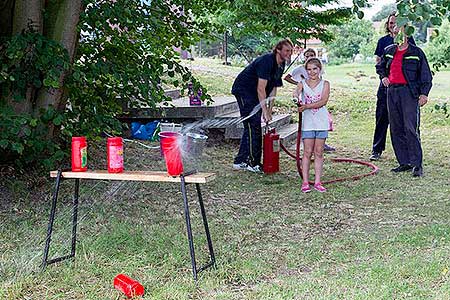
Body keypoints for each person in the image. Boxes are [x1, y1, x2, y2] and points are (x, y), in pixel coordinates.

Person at [376, 27, 432, 177]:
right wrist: (383, 77)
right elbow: (380, 66)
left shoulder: (416, 52)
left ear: (407, 35)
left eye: (400, 33)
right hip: (392, 92)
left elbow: (426, 75)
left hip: (409, 93)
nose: (396, 35)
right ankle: (404, 162)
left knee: (410, 128)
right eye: (394, 33)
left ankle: (417, 164)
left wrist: (424, 94)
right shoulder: (388, 50)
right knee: (396, 128)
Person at [231, 38, 293, 173]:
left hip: (255, 93)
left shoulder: (280, 64)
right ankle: (253, 163)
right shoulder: (266, 61)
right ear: (278, 50)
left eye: (291, 51)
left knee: (251, 126)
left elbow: (273, 88)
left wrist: (269, 110)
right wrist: (264, 111)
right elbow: (261, 88)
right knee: (253, 125)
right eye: (287, 50)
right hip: (244, 91)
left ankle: (240, 160)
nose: (290, 53)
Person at [370, 12, 416, 161]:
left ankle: (411, 153)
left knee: (407, 121)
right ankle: (377, 150)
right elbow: (379, 63)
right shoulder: (383, 41)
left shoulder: (410, 41)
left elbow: (414, 64)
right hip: (386, 86)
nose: (393, 26)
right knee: (382, 118)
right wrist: (384, 77)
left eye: (396, 23)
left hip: (404, 89)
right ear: (387, 25)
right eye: (391, 23)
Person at [284, 48, 336, 152]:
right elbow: (288, 79)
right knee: (308, 131)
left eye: (311, 55)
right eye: (307, 55)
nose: (309, 57)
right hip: (307, 107)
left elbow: (323, 98)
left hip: (319, 109)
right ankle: (309, 146)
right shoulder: (300, 69)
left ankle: (321, 144)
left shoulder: (321, 75)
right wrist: (298, 86)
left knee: (319, 127)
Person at [293, 58, 330, 192]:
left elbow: (323, 101)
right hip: (308, 123)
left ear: (319, 69)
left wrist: (306, 106)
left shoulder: (325, 84)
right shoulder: (302, 83)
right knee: (307, 152)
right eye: (309, 69)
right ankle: (305, 182)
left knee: (319, 152)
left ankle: (318, 182)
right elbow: (296, 92)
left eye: (315, 69)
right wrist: (296, 97)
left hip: (321, 123)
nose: (312, 72)